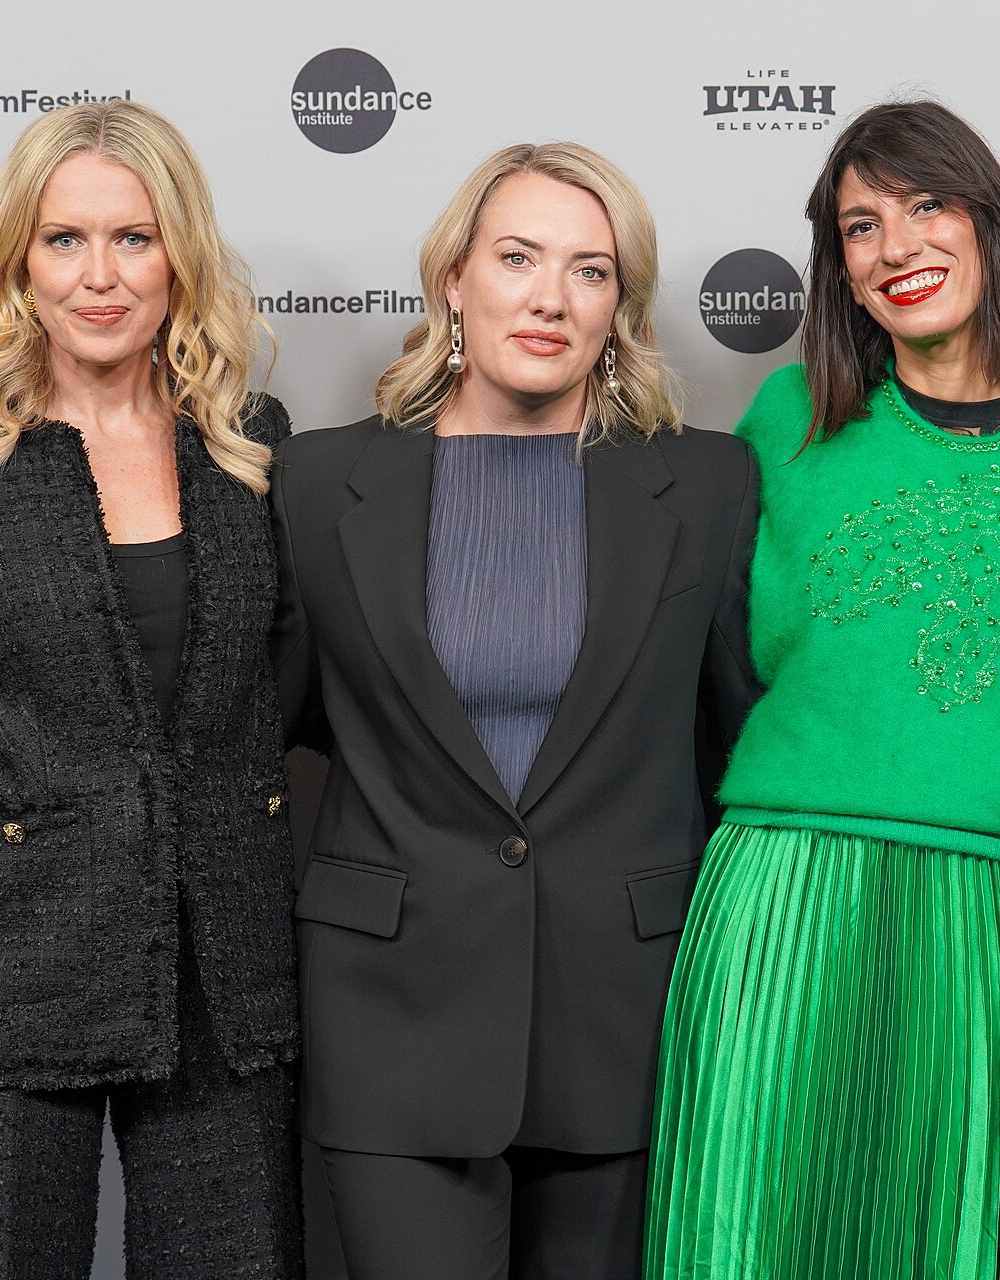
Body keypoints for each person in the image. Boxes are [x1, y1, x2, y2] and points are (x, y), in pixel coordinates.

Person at [646, 100, 1000, 1280]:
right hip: (787, 896)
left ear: (999, 219)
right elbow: (713, 663)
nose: (898, 246)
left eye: (928, 205)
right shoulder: (792, 417)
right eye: (860, 225)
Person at [270, 142, 758, 1280]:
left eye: (589, 270)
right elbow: (268, 724)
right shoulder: (315, 482)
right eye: (519, 257)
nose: (549, 296)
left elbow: (749, 731)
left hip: (629, 1012)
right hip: (391, 1008)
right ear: (454, 278)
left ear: (619, 305)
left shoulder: (709, 482)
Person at [0, 101, 301, 1278]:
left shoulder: (250, 441)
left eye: (134, 239)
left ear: (180, 257)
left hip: (226, 992)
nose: (100, 276)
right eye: (66, 240)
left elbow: (282, 709)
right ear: (18, 260)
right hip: (6, 988)